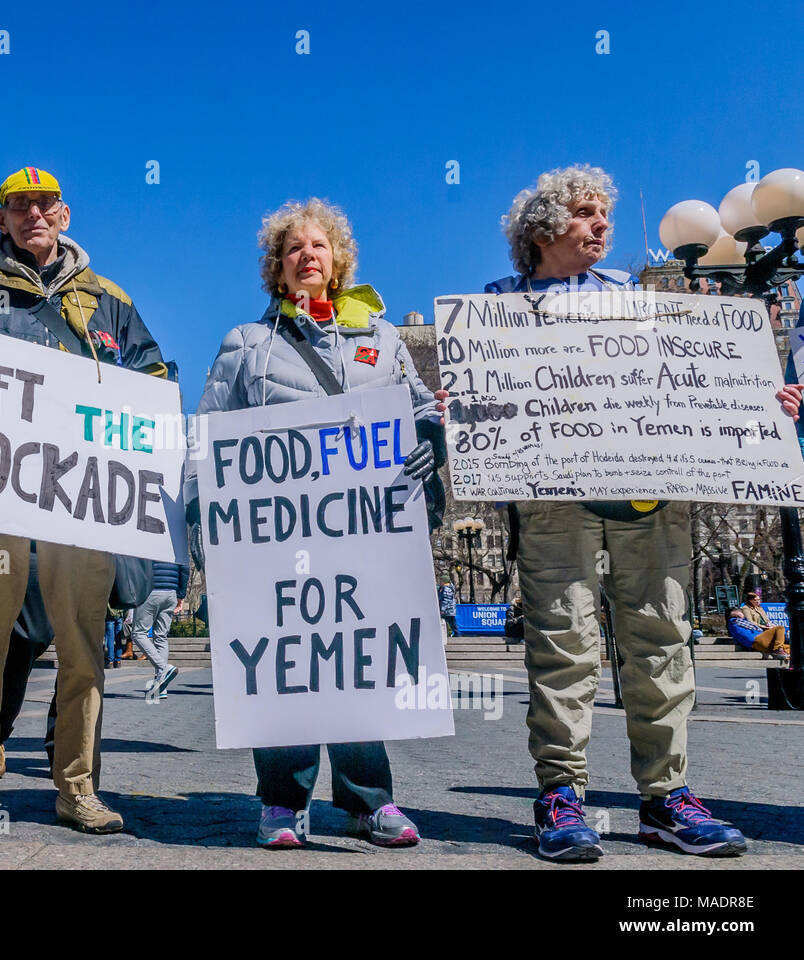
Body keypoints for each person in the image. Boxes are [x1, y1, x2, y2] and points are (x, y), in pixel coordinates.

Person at [486, 165, 747, 860]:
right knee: (562, 646)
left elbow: (700, 385)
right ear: (544, 228)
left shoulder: (643, 301)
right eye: (586, 214)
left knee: (662, 639)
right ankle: (561, 798)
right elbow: (488, 393)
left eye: (605, 213)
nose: (603, 224)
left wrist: (760, 408)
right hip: (554, 502)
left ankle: (667, 800)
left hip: (649, 496)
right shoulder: (497, 307)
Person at [188, 198, 446, 849]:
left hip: (365, 533)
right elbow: (206, 439)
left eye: (318, 245)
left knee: (358, 658)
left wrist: (429, 441)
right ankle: (282, 804)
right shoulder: (246, 345)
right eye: (292, 248)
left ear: (338, 260)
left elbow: (424, 414)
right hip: (277, 538)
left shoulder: (385, 341)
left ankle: (369, 802)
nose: (307, 254)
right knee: (286, 665)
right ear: (277, 268)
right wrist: (199, 518)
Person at [0, 166, 167, 841]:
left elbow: (154, 376)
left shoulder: (109, 301)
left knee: (83, 654)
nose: (34, 215)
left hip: (81, 506)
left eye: (45, 205)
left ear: (63, 216)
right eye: (19, 206)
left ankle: (78, 790)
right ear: (2, 219)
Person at [131, 560, 189, 699]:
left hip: (151, 589)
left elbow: (137, 566)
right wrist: (180, 595)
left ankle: (164, 668)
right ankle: (161, 688)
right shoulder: (175, 546)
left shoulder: (147, 541)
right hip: (171, 593)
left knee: (138, 633)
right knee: (161, 636)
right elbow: (185, 569)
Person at [728, 591, 788, 660]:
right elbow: (751, 623)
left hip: (761, 635)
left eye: (759, 599)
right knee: (780, 628)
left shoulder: (760, 608)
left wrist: (770, 625)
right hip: (758, 636)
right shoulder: (742, 613)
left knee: (789, 646)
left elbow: (766, 620)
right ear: (750, 600)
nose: (758, 601)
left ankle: (783, 653)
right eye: (756, 600)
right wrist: (765, 627)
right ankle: (778, 649)